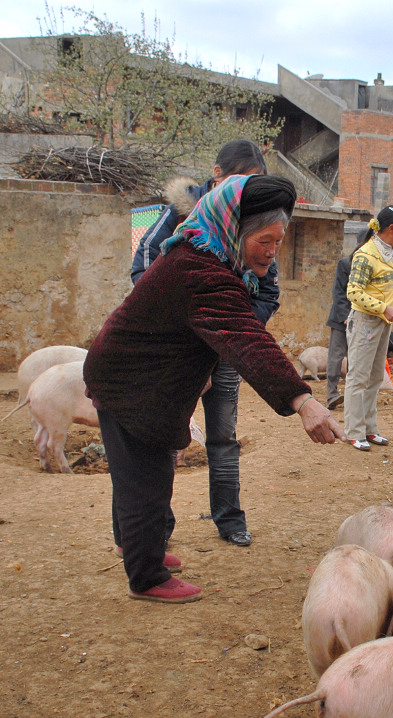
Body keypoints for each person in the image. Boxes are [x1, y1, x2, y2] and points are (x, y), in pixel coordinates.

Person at [85, 175, 346, 603]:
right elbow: (246, 336)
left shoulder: (209, 254)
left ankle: (140, 547)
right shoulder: (201, 267)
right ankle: (146, 575)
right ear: (236, 229)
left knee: (150, 473)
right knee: (143, 479)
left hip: (144, 378)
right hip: (130, 381)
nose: (272, 250)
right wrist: (303, 400)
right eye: (264, 239)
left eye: (279, 241)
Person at [131, 138, 273, 549]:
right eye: (241, 180)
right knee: (166, 435)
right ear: (218, 175)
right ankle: (156, 527)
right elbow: (143, 274)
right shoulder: (176, 220)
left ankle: (229, 519)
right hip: (177, 352)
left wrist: (233, 326)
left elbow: (267, 292)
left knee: (224, 438)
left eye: (254, 183)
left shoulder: (251, 225)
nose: (246, 190)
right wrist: (191, 325)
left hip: (225, 353)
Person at [343, 206, 393, 451]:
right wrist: (384, 307)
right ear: (391, 229)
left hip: (382, 322)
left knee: (374, 377)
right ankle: (354, 431)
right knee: (358, 377)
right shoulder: (365, 255)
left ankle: (369, 429)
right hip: (365, 322)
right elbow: (354, 292)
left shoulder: (391, 252)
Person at [325, 233, 366, 410]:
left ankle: (352, 395)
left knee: (356, 359)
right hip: (342, 320)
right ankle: (332, 394)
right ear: (357, 244)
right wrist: (346, 317)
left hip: (362, 319)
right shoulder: (345, 264)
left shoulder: (368, 266)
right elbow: (339, 293)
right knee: (336, 356)